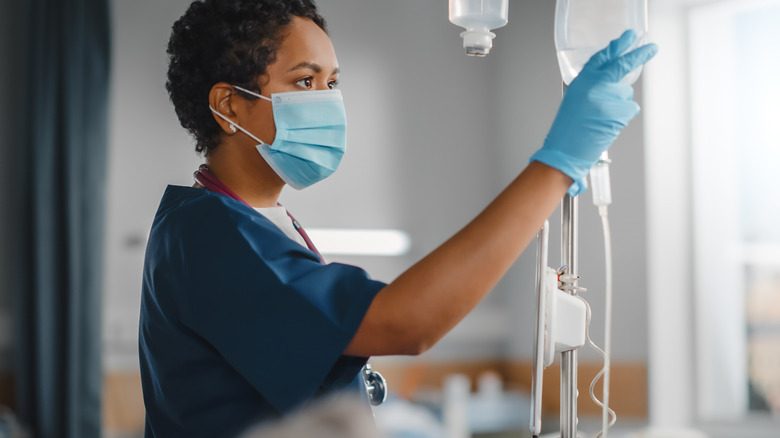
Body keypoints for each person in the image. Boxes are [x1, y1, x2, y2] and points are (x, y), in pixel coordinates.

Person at [138, 0, 658, 437]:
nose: (328, 101)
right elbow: (404, 323)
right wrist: (555, 166)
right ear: (228, 105)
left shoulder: (256, 223)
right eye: (304, 82)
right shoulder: (208, 236)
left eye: (333, 81)